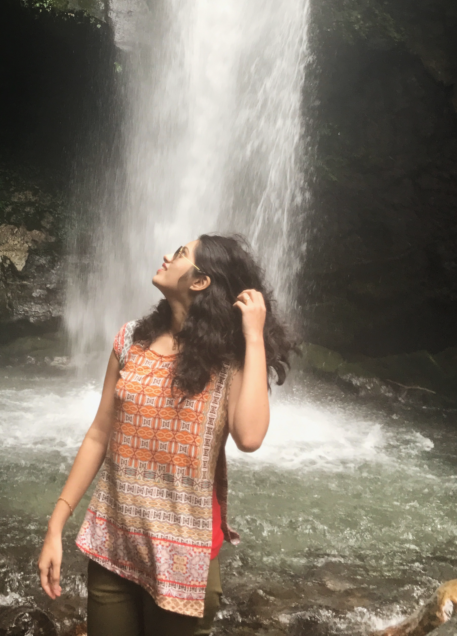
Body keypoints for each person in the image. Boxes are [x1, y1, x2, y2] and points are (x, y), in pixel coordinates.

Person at [38, 233, 295, 636]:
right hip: (113, 546)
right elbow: (98, 434)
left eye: (179, 254)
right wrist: (57, 524)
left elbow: (249, 437)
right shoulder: (130, 340)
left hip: (183, 557)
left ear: (200, 281)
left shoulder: (229, 360)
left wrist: (254, 336)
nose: (165, 256)